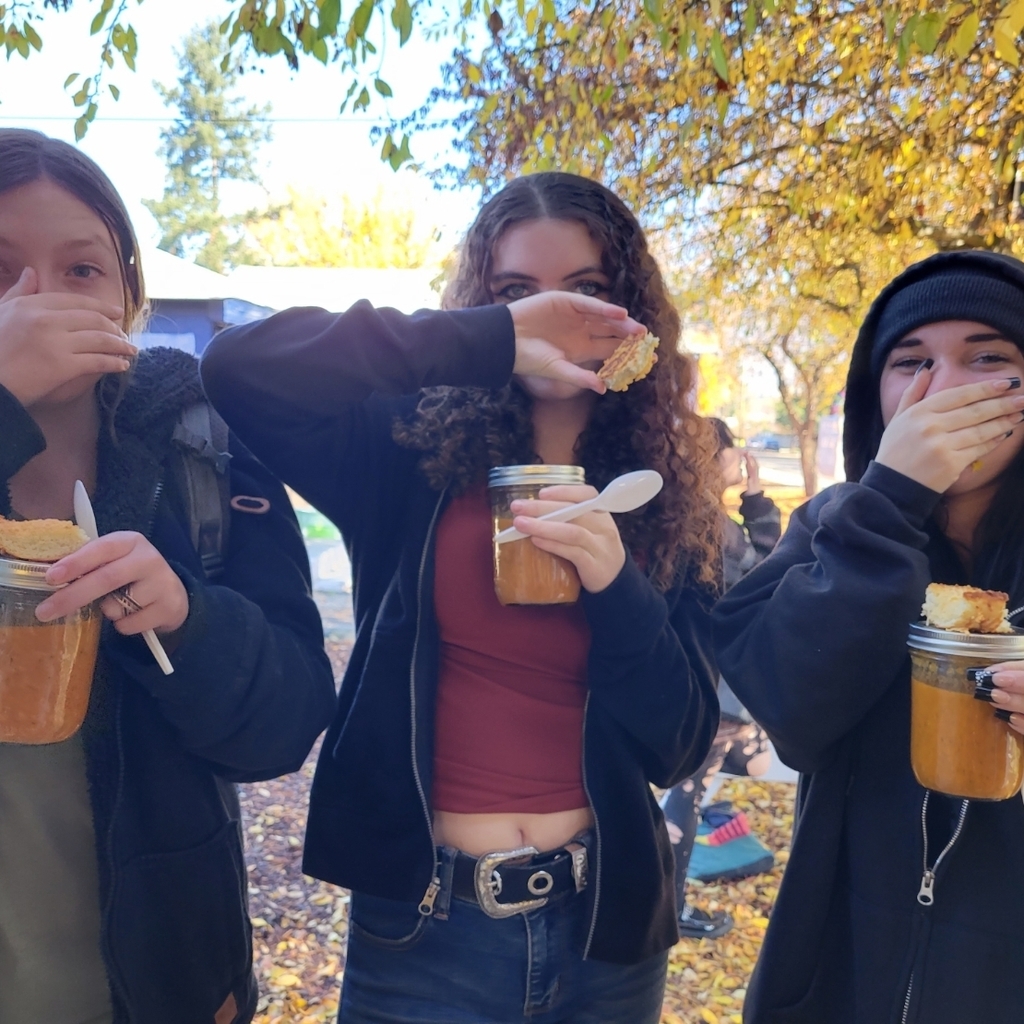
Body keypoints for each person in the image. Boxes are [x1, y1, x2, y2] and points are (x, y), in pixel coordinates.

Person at [201, 171, 721, 1024]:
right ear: (483, 305)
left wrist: (614, 585)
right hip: (427, 929)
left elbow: (681, 744)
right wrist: (487, 340)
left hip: (608, 931)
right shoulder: (404, 449)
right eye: (518, 292)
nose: (556, 315)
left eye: (587, 290)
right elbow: (239, 366)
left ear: (632, 308)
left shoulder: (666, 489)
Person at [0, 130, 336, 1024]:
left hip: (162, 982)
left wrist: (187, 621)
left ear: (128, 296)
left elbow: (287, 724)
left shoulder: (203, 441)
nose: (38, 301)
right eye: (0, 270)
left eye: (82, 270)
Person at [713, 250, 1024, 1024]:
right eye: (910, 363)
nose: (944, 388)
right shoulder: (832, 530)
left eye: (989, 359)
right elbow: (788, 710)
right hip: (838, 976)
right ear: (875, 397)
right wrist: (890, 502)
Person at [662, 418, 776, 939]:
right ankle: (670, 907)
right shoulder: (710, 523)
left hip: (712, 682)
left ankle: (672, 893)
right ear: (714, 457)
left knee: (748, 759)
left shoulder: (697, 516)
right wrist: (758, 504)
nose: (740, 460)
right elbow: (766, 574)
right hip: (711, 682)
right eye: (732, 451)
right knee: (688, 789)